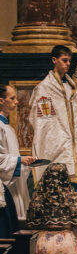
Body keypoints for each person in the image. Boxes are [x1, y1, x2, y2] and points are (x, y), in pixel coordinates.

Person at [29, 45, 77, 205]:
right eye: (64, 60)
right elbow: (41, 120)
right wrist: (57, 136)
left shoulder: (71, 86)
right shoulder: (44, 88)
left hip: (73, 141)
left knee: (74, 180)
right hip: (56, 142)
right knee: (57, 181)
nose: (68, 64)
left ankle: (76, 218)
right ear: (54, 60)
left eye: (69, 60)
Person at [0, 84, 36, 223]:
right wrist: (20, 161)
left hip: (12, 184)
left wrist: (25, 161)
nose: (17, 101)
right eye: (12, 98)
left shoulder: (7, 127)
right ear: (1, 100)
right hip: (4, 188)